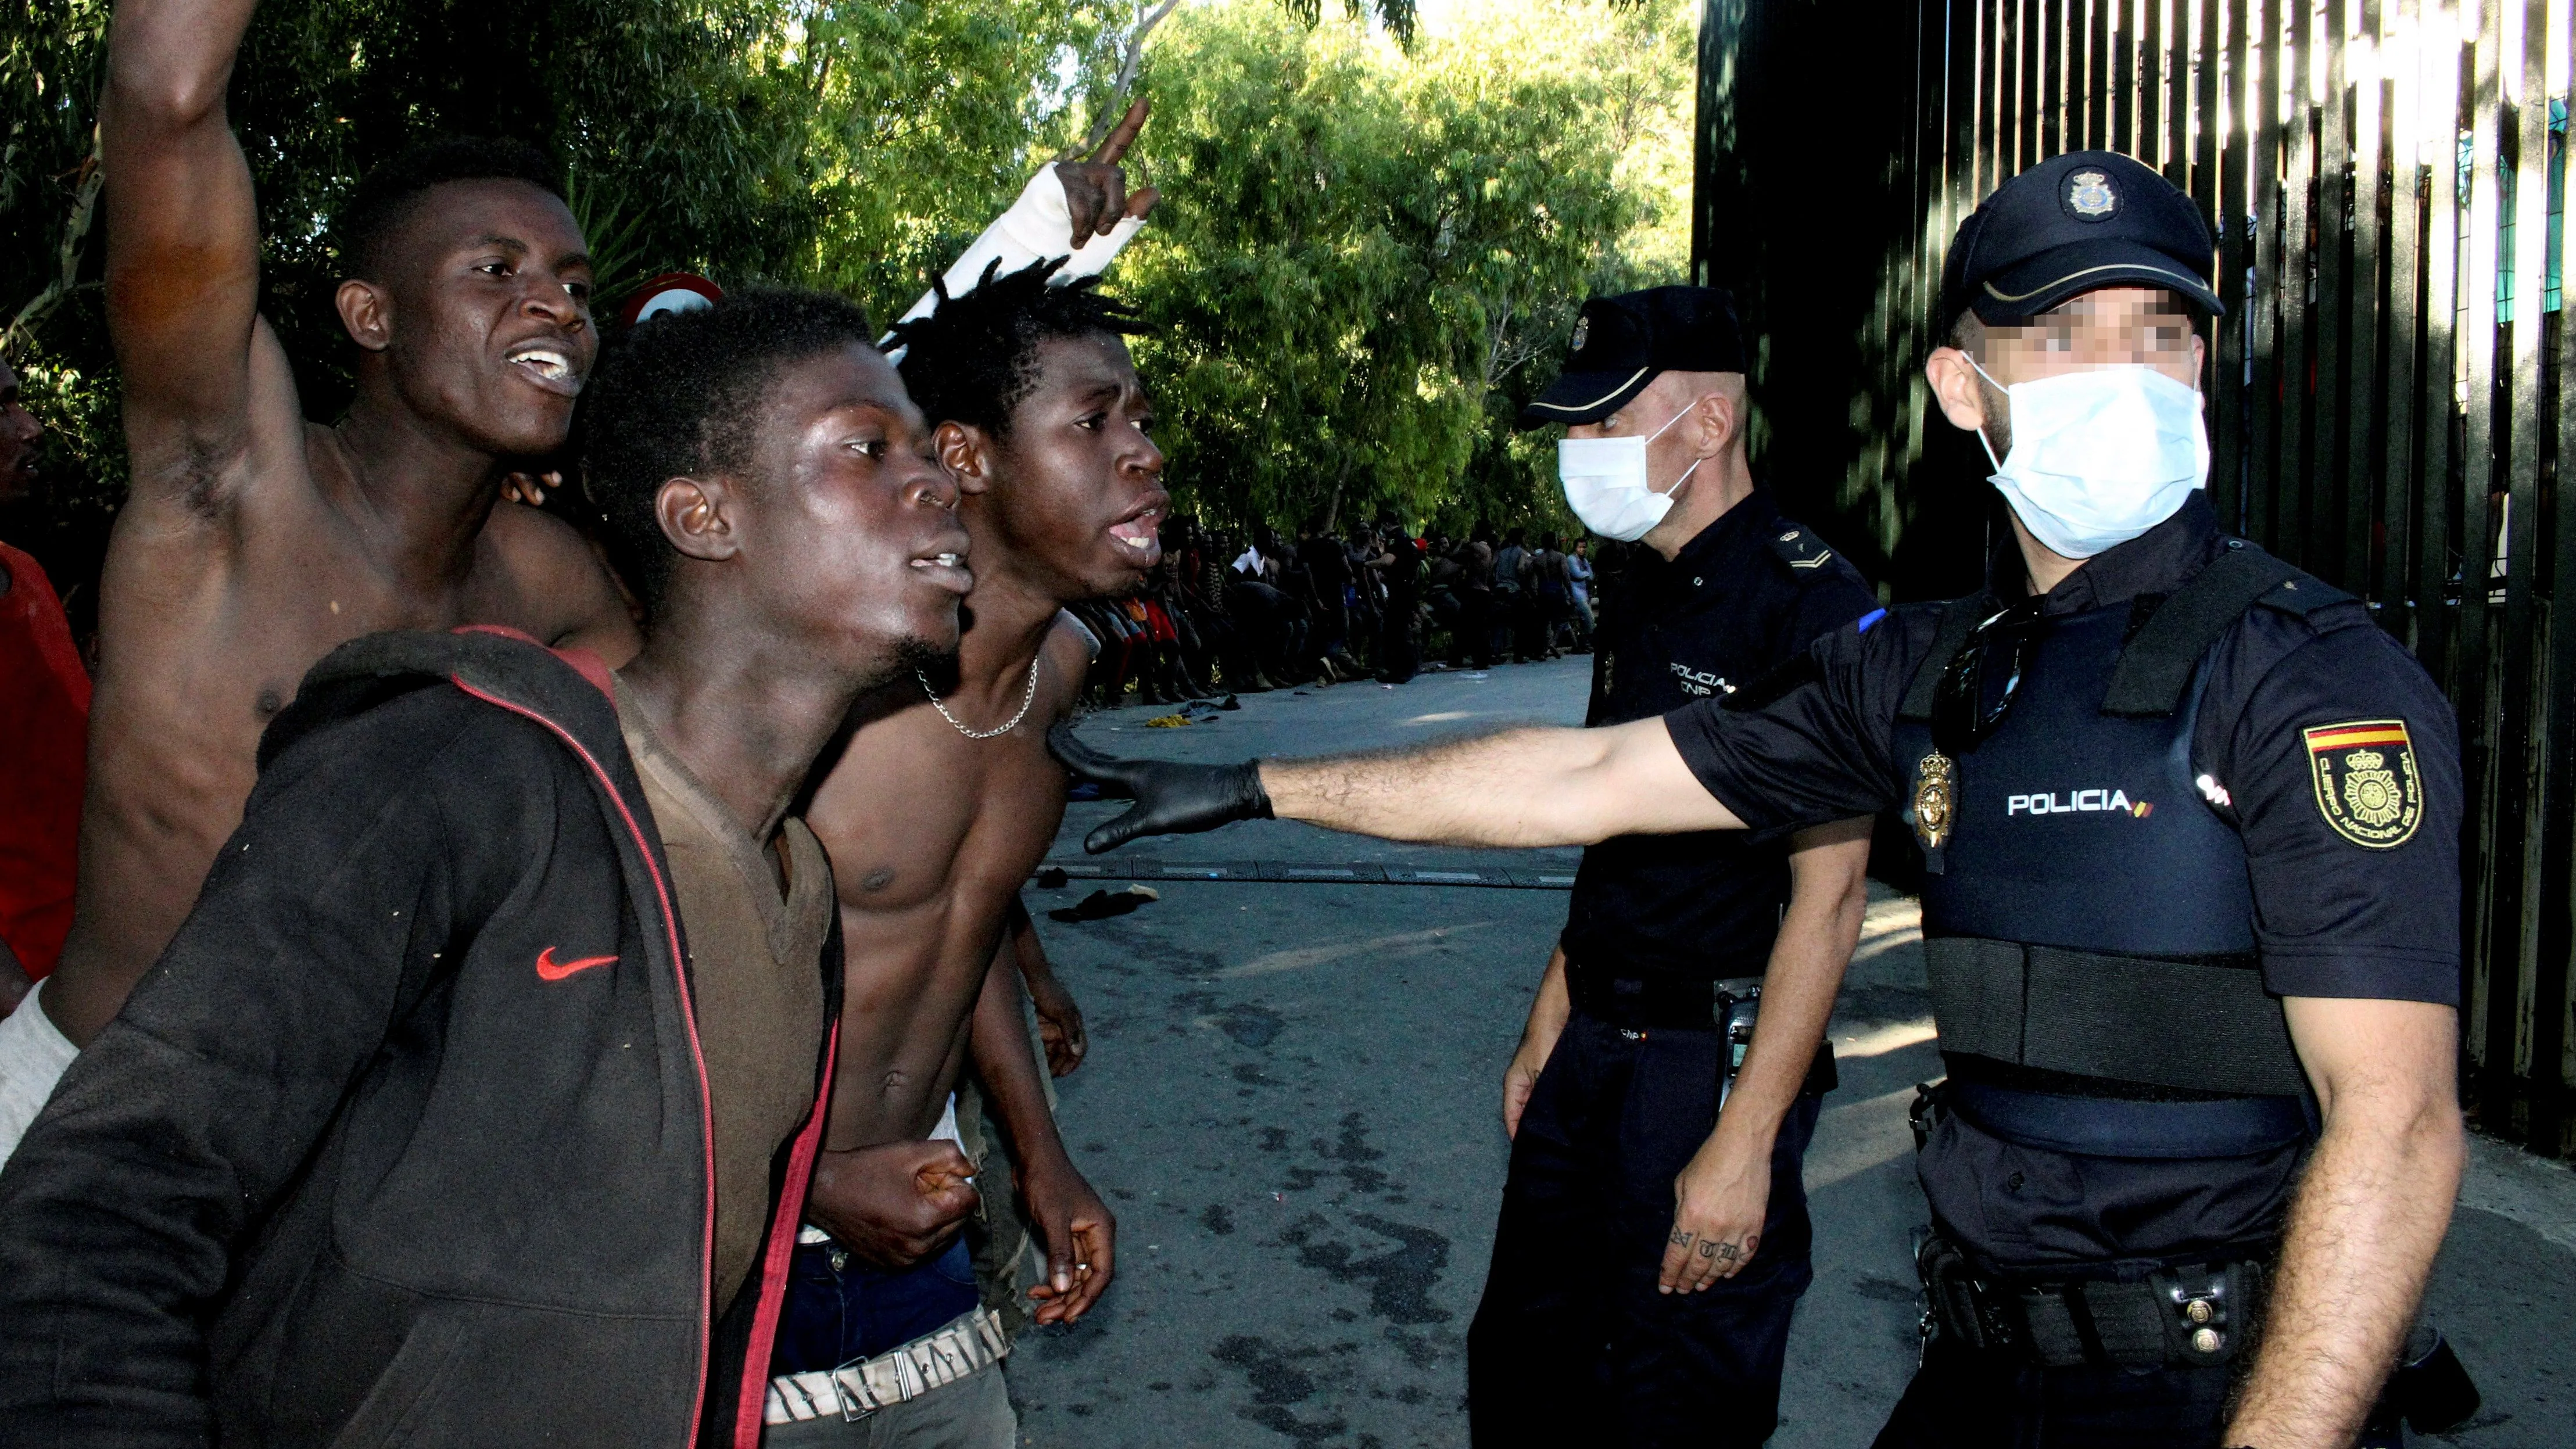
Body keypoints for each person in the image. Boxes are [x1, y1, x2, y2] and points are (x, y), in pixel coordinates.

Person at [1050, 151, 2468, 1449]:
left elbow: (2395, 1125)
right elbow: (1592, 779)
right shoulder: (1931, 668)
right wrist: (1253, 781)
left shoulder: (2308, 677)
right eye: (2058, 335)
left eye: (2161, 333)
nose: (2124, 376)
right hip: (1979, 1364)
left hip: (2228, 1380)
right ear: (1961, 389)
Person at [0, 0, 1159, 1165]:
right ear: (370, 313)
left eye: (569, 277)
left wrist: (1013, 257)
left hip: (328, 1175)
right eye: (493, 270)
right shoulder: (231, 480)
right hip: (84, 1126)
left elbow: (797, 519)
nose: (552, 300)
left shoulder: (548, 578)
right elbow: (165, 99)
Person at [0, 287, 974, 1447]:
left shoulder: (794, 887)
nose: (936, 482)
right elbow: (97, 1212)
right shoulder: (454, 767)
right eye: (867, 447)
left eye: (925, 449)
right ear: (704, 517)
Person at [1442, 285, 1876, 1447]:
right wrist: (1549, 1019)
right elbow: (1612, 832)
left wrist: (1741, 1144)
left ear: (1704, 424)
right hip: (1594, 1041)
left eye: (1599, 423)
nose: (1576, 453)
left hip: (1706, 1063)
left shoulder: (1809, 603)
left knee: (1675, 1393)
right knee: (1526, 1364)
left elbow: (1828, 902)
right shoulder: (1634, 577)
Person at [763, 260, 1158, 1444]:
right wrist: (805, 1184)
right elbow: (632, 977)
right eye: (1092, 423)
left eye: (1138, 418)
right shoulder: (827, 687)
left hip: (925, 1235)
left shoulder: (1061, 676)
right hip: (728, 1236)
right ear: (968, 459)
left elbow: (961, 914)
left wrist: (1040, 1155)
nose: (1141, 452)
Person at [0, 357, 87, 1027]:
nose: (29, 427)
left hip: (84, 972)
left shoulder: (23, 572)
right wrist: (26, 1022)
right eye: (1, 409)